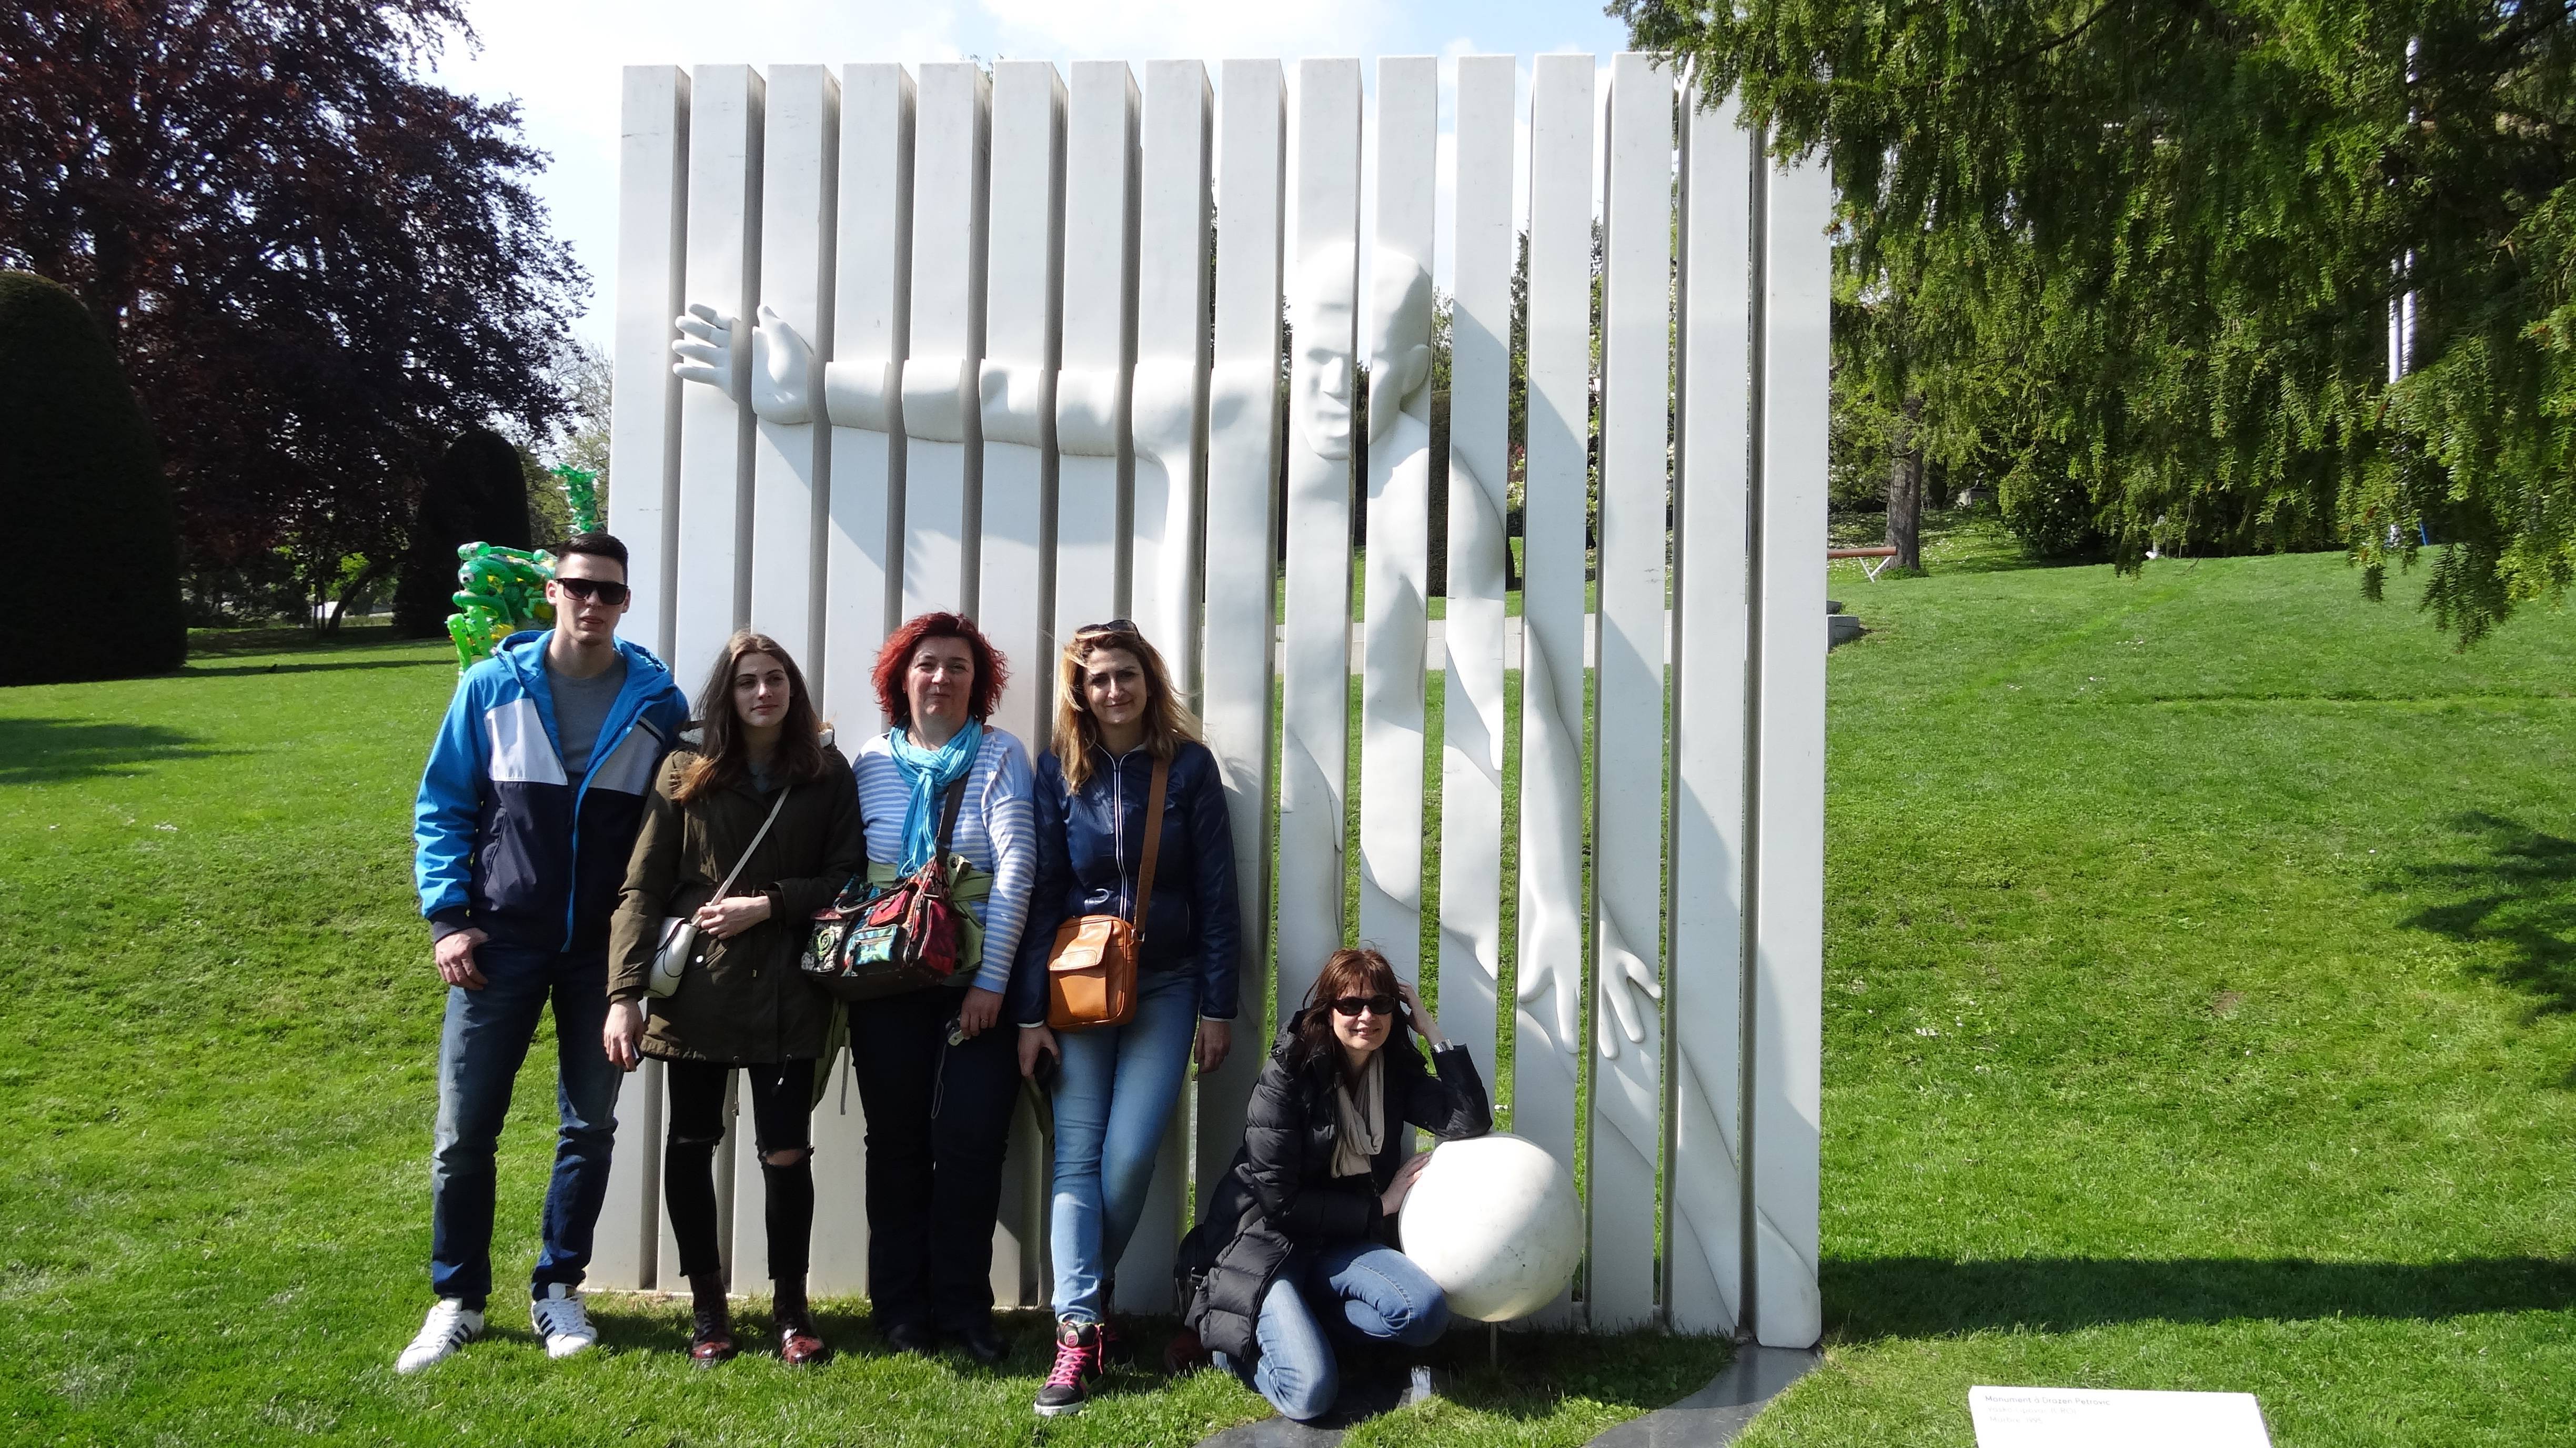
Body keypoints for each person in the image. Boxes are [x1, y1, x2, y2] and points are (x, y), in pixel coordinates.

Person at [401, 532, 691, 1374]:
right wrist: (448, 918)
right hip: (498, 943)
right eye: (578, 587)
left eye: (609, 591)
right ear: (554, 593)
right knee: (464, 1134)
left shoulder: (658, 703)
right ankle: (457, 1300)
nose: (592, 602)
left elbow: (671, 830)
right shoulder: (491, 685)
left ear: (625, 602)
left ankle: (559, 1288)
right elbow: (443, 804)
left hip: (602, 954)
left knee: (589, 1128)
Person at [605, 631, 864, 1366]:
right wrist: (624, 993)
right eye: (748, 681)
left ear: (793, 689)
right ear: (727, 693)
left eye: (775, 679)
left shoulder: (825, 771)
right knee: (691, 1145)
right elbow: (644, 885)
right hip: (699, 991)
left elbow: (848, 877)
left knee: (786, 1152)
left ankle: (792, 1309)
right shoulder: (683, 769)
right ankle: (708, 1309)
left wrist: (770, 904)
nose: (763, 693)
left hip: (789, 990)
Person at [1011, 620, 1242, 1416]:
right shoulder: (1059, 768)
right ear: (1080, 692)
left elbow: (1218, 893)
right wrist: (1030, 1014)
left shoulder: (1189, 767)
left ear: (1150, 681)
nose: (1114, 690)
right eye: (1099, 679)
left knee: (1131, 1154)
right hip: (1078, 985)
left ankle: (1089, 1283)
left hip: (1169, 984)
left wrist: (1219, 1006)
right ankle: (1079, 1327)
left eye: (1126, 675)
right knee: (1076, 1158)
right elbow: (1044, 890)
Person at [1179, 948, 1491, 1423]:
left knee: (1424, 1313)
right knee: (1310, 1394)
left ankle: (1304, 1325)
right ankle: (1231, 1350)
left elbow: (1467, 1120)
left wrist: (1430, 1029)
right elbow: (1279, 1201)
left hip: (1339, 1242)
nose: (1367, 1017)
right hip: (1269, 1244)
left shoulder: (1392, 1069)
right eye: (1351, 1005)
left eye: (1380, 1004)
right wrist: (1381, 1207)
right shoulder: (1289, 1072)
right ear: (1328, 1010)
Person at [848, 611, 1039, 1363]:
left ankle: (964, 1307)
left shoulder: (1000, 754)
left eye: (958, 666)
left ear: (977, 682)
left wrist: (991, 984)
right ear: (901, 677)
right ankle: (899, 1309)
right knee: (894, 1144)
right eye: (927, 664)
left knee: (971, 1143)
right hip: (886, 982)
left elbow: (1017, 868)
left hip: (974, 986)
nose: (941, 678)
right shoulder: (869, 761)